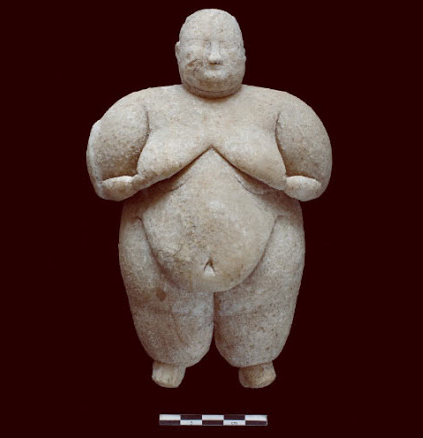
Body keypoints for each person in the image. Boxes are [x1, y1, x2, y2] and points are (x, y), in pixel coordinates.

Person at [87, 9, 332, 388]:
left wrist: (281, 178)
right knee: (167, 322)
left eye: (227, 46)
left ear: (244, 53)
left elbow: (316, 177)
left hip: (268, 241)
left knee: (262, 312)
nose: (215, 56)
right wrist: (139, 177)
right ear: (178, 51)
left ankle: (257, 358)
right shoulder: (144, 108)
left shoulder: (281, 109)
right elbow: (106, 177)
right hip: (157, 244)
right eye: (202, 46)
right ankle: (170, 356)